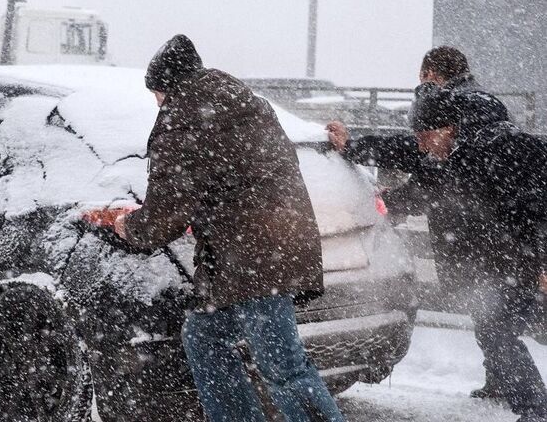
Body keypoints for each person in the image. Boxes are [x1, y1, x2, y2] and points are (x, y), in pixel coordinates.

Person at [84, 34, 345, 422]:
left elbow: (164, 215)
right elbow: (228, 180)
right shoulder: (242, 101)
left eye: (156, 94)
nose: (156, 103)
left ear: (165, 87)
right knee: (204, 337)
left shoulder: (183, 118)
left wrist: (124, 224)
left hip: (253, 259)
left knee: (283, 367)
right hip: (272, 247)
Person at [327, 79, 547, 421]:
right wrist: (353, 149)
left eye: (425, 137)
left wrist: (542, 261)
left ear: (448, 127)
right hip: (496, 261)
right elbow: (416, 177)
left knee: (501, 332)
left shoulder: (508, 149)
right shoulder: (448, 153)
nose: (421, 146)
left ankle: (535, 409)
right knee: (495, 329)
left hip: (523, 257)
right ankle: (517, 394)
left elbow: (539, 208)